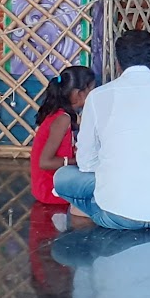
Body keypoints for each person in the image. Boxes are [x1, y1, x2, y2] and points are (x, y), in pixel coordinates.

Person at [53, 30, 150, 230]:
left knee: (62, 177)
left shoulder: (97, 97)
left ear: (118, 63)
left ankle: (96, 206)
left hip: (118, 215)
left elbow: (86, 162)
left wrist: (115, 168)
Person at [31, 66, 97, 206]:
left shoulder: (62, 115)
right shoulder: (62, 119)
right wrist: (77, 161)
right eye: (91, 90)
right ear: (78, 94)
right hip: (51, 189)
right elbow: (45, 162)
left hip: (52, 183)